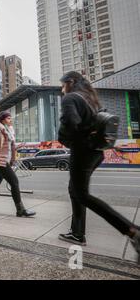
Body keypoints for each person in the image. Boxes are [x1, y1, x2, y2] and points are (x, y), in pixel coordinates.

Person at [58, 71, 139, 262]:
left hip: (83, 150)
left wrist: (66, 133)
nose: (62, 90)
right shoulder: (90, 98)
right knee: (75, 190)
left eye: (62, 85)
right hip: (97, 152)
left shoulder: (70, 98)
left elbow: (73, 124)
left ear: (70, 83)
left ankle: (132, 231)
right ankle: (77, 233)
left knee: (82, 194)